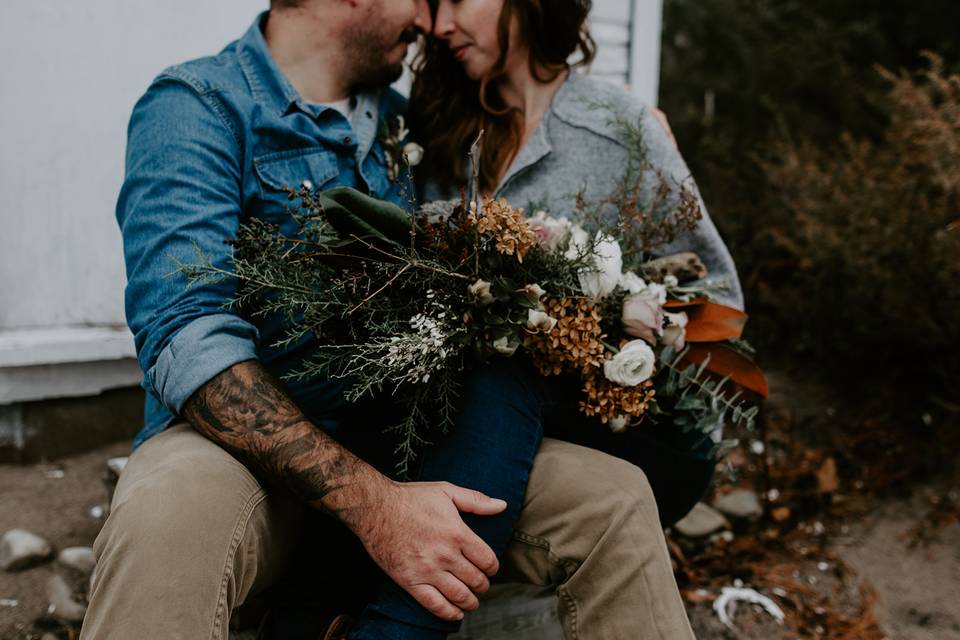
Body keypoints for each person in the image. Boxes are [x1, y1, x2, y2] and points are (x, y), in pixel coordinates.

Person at [81, 1, 695, 639]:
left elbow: (521, 178)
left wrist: (632, 134)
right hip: (236, 452)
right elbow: (186, 333)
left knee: (613, 499)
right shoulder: (201, 105)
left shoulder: (417, 127)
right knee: (165, 514)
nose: (430, 22)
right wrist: (375, 506)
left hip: (410, 436)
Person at [411, 0, 745, 527]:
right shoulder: (442, 132)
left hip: (613, 429)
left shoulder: (619, 130)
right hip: (469, 423)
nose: (439, 25)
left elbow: (717, 294)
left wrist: (624, 350)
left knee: (507, 374)